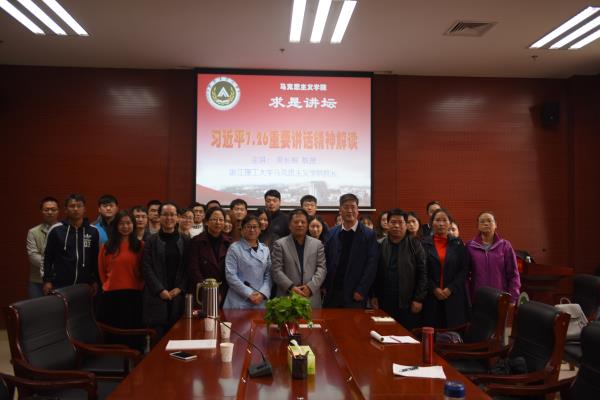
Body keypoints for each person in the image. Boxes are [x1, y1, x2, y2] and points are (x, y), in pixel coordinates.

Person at [371, 209, 427, 329]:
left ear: (406, 225)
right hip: (384, 300)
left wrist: (418, 299)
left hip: (408, 301)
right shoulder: (380, 244)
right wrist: (373, 295)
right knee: (384, 331)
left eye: (400, 222)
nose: (396, 226)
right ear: (387, 224)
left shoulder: (415, 245)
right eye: (393, 222)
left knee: (406, 334)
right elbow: (373, 273)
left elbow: (423, 273)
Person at [322, 193, 378, 308]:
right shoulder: (331, 233)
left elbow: (372, 265)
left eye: (353, 207)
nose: (349, 210)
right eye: (346, 207)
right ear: (340, 210)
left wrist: (362, 290)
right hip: (332, 292)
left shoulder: (369, 235)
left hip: (355, 293)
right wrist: (324, 285)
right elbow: (325, 261)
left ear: (358, 210)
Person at [142, 202, 189, 338]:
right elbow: (146, 267)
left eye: (172, 215)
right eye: (165, 215)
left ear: (178, 217)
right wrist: (160, 290)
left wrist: (180, 288)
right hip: (156, 296)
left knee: (179, 337)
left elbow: (189, 267)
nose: (169, 218)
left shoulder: (186, 240)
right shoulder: (151, 240)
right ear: (159, 217)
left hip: (179, 296)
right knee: (158, 338)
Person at [97, 210, 144, 346]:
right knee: (114, 331)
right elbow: (101, 270)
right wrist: (106, 285)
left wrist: (140, 286)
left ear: (133, 225)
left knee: (133, 330)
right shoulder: (107, 247)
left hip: (134, 294)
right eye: (121, 224)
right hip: (112, 294)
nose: (125, 226)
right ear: (116, 226)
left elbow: (144, 270)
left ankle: (134, 356)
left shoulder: (140, 246)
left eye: (128, 223)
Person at [42, 194, 100, 295]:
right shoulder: (56, 230)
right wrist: (47, 280)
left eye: (79, 206)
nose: (76, 209)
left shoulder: (93, 231)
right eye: (72, 206)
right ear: (66, 209)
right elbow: (47, 257)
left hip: (84, 285)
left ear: (84, 209)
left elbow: (95, 259)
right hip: (60, 285)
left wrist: (94, 280)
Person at [421, 208, 468, 328]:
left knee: (452, 332)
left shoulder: (458, 244)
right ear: (431, 223)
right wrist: (434, 288)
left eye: (444, 220)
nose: (441, 224)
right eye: (437, 220)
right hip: (431, 296)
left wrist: (450, 288)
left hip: (453, 295)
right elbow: (422, 271)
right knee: (431, 331)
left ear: (450, 223)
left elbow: (464, 270)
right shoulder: (423, 243)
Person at [271, 209, 327, 309]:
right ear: (289, 225)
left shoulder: (317, 244)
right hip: (287, 298)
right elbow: (276, 270)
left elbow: (322, 269)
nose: (300, 224)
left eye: (303, 222)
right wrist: (291, 287)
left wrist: (310, 287)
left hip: (311, 297)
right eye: (296, 222)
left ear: (307, 225)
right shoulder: (280, 244)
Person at [466, 211, 521, 303]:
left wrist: (513, 299)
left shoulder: (505, 246)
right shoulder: (470, 247)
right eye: (482, 221)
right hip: (478, 298)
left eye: (489, 221)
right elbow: (465, 276)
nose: (486, 223)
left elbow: (513, 275)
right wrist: (468, 299)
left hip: (500, 298)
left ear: (495, 225)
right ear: (478, 226)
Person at [187, 207, 232, 307]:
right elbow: (193, 269)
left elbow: (231, 270)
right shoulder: (196, 241)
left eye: (221, 219)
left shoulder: (229, 242)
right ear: (207, 222)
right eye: (214, 219)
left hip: (223, 292)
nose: (218, 222)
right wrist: (208, 289)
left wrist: (221, 292)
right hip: (201, 291)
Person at [223, 214, 271, 309]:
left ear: (260, 229)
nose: (252, 230)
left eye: (255, 227)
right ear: (242, 230)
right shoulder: (234, 248)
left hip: (260, 299)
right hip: (238, 300)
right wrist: (249, 293)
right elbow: (230, 275)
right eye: (248, 227)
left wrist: (262, 293)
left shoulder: (265, 249)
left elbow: (268, 275)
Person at [26, 196, 59, 298]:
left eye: (53, 209)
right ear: (41, 211)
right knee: (37, 307)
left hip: (59, 279)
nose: (50, 212)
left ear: (58, 211)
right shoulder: (33, 232)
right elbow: (33, 256)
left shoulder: (65, 231)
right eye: (46, 210)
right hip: (37, 281)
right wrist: (55, 265)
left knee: (58, 307)